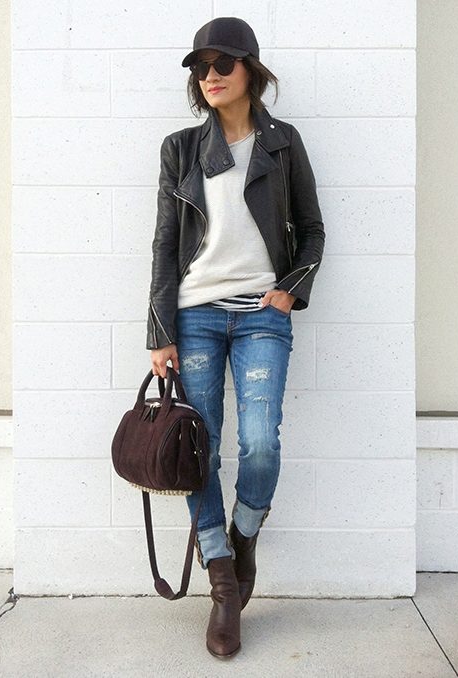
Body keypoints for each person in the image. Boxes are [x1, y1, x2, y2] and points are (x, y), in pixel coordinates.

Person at [146, 16, 325, 659]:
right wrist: (159, 331)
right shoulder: (180, 148)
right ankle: (223, 581)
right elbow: (166, 244)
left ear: (251, 69)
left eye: (223, 63)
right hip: (194, 315)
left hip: (260, 314)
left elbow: (312, 228)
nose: (211, 75)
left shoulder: (283, 143)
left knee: (258, 443)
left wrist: (291, 289)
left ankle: (243, 535)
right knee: (202, 449)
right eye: (201, 67)